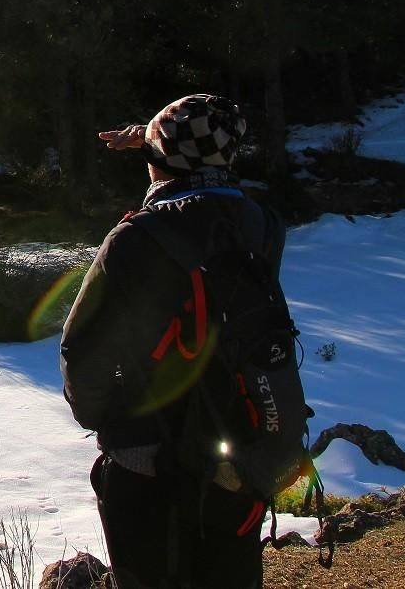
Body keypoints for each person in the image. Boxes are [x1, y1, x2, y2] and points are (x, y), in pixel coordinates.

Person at [60, 94, 285, 589]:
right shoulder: (263, 227)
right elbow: (202, 171)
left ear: (157, 164)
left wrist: (106, 423)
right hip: (243, 444)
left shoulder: (135, 238)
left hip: (149, 454)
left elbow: (81, 350)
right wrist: (150, 137)